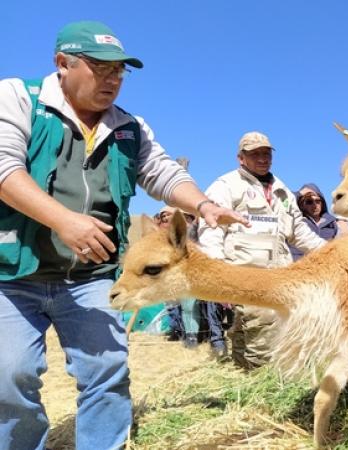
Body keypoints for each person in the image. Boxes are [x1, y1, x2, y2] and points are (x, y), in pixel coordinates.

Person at [0, 21, 246, 450]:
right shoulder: (19, 97)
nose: (113, 80)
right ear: (63, 64)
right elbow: (4, 170)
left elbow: (163, 173)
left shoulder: (129, 127)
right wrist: (64, 220)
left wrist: (203, 205)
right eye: (101, 69)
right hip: (14, 273)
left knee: (107, 369)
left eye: (120, 71)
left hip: (92, 277)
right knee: (10, 376)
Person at [198, 131, 327, 369]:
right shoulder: (225, 185)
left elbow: (299, 231)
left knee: (247, 327)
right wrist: (218, 273)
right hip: (244, 273)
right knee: (262, 325)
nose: (262, 158)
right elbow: (211, 228)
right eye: (255, 154)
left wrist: (331, 251)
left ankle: (242, 376)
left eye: (266, 153)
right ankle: (262, 379)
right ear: (241, 158)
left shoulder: (283, 191)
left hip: (279, 273)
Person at [155, 207, 203, 349]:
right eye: (162, 216)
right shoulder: (170, 234)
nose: (165, 218)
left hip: (191, 273)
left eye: (167, 215)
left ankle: (193, 336)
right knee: (175, 306)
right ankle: (183, 333)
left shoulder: (193, 230)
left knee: (189, 306)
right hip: (175, 274)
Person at [290, 183, 348, 260]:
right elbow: (281, 201)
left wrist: (346, 231)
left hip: (324, 266)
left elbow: (344, 247)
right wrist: (299, 193)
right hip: (297, 266)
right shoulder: (295, 220)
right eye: (309, 202)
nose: (315, 205)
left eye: (318, 201)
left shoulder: (334, 224)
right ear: (302, 204)